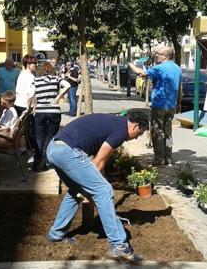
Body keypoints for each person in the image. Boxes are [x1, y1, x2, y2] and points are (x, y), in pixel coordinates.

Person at [46, 109, 149, 261]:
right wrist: (97, 188)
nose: (135, 138)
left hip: (54, 149)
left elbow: (100, 161)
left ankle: (56, 234)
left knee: (76, 190)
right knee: (104, 190)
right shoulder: (121, 130)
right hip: (67, 152)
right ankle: (119, 246)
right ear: (135, 126)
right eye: (139, 134)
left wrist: (94, 185)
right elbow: (98, 162)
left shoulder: (114, 123)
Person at [128, 46, 182, 166]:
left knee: (158, 132)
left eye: (158, 54)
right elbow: (180, 87)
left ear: (165, 56)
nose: (156, 56)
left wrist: (130, 64)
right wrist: (179, 103)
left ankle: (159, 159)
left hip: (159, 105)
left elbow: (141, 73)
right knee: (168, 131)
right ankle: (168, 158)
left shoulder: (160, 68)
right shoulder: (177, 68)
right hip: (171, 106)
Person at [31, 63, 71, 171]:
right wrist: (58, 97)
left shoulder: (36, 80)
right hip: (54, 111)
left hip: (40, 111)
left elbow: (30, 95)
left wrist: (32, 105)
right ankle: (45, 161)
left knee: (39, 136)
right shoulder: (56, 79)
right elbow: (68, 85)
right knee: (50, 136)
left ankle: (37, 161)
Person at [14, 54, 40, 158]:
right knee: (29, 129)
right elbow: (31, 94)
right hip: (25, 105)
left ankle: (24, 148)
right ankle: (30, 149)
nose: (35, 65)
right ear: (28, 64)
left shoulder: (22, 74)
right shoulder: (30, 76)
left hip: (19, 104)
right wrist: (31, 107)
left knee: (24, 129)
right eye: (33, 63)